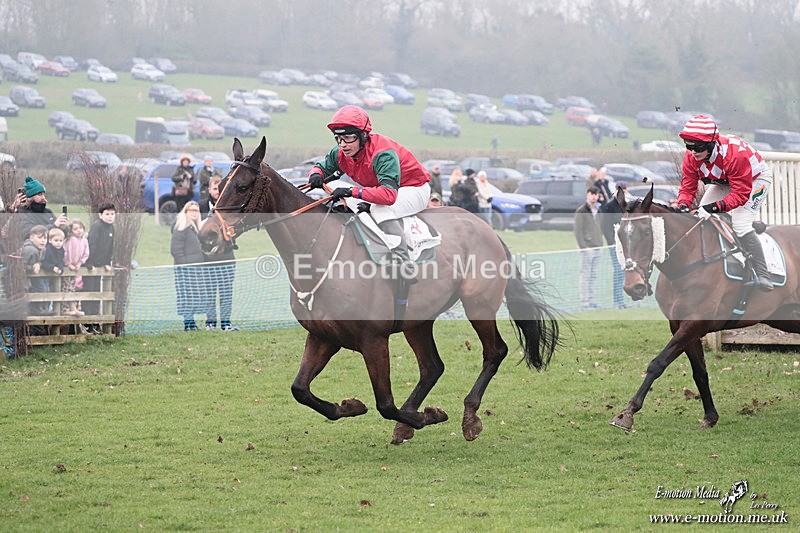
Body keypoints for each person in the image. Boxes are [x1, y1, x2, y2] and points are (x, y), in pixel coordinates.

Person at [306, 105, 430, 281]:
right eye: (338, 138)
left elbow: (388, 196)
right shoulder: (340, 153)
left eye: (348, 138)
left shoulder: (383, 153)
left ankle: (404, 263)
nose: (342, 144)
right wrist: (316, 175)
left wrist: (352, 191)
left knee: (380, 209)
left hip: (413, 188)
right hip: (381, 190)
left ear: (363, 135)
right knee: (342, 201)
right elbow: (320, 167)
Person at [676, 114, 774, 291]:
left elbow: (740, 195)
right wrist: (683, 204)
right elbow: (688, 186)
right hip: (725, 180)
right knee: (700, 217)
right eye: (689, 146)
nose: (693, 152)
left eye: (698, 147)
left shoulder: (734, 155)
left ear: (711, 144)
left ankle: (763, 274)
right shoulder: (691, 157)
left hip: (755, 179)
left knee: (740, 224)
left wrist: (712, 207)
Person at [201, 177, 238, 331]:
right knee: (209, 292)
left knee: (226, 293)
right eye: (215, 188)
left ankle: (225, 323)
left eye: (220, 188)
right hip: (207, 259)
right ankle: (210, 323)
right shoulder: (200, 207)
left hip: (226, 258)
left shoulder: (228, 208)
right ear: (209, 190)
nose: (217, 192)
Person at [171, 201, 206, 331]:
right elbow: (175, 250)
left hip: (197, 269)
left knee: (193, 296)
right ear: (185, 212)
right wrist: (184, 266)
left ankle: (192, 323)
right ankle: (188, 323)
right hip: (185, 270)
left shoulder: (195, 229)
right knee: (186, 296)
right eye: (191, 210)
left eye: (196, 210)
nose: (194, 213)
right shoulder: (181, 228)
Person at [83, 203, 116, 331]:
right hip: (90, 265)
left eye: (112, 214)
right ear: (100, 215)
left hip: (99, 266)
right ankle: (87, 322)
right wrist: (89, 262)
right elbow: (92, 244)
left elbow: (109, 248)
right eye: (107, 214)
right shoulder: (97, 226)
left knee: (97, 293)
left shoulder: (111, 228)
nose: (110, 217)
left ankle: (95, 321)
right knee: (89, 291)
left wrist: (107, 262)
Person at [574, 187, 603, 310]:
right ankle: (584, 303)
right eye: (592, 194)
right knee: (585, 276)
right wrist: (583, 247)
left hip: (598, 247)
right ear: (587, 195)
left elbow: (600, 227)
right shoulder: (581, 211)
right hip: (587, 249)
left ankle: (591, 301)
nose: (594, 196)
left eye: (596, 194)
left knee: (593, 276)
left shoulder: (599, 210)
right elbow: (577, 231)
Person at [600, 182, 628, 309]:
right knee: (618, 271)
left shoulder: (626, 205)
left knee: (624, 272)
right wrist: (611, 242)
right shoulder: (609, 206)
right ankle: (617, 301)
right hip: (615, 245)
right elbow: (606, 226)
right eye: (621, 190)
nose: (623, 192)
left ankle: (621, 301)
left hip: (626, 244)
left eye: (625, 190)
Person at [62, 218, 89, 316]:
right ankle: (65, 309)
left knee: (76, 287)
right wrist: (68, 264)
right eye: (75, 229)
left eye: (80, 228)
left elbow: (86, 253)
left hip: (77, 267)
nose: (79, 230)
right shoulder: (71, 240)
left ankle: (74, 307)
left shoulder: (85, 241)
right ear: (71, 231)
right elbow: (66, 252)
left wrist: (80, 263)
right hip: (68, 267)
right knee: (67, 288)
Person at [21, 225, 49, 315]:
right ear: (31, 238)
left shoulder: (43, 249)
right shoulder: (29, 250)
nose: (43, 240)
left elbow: (41, 261)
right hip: (25, 277)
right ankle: (35, 309)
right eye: (40, 238)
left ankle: (43, 309)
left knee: (46, 288)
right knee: (39, 289)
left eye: (45, 238)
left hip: (35, 275)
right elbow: (20, 265)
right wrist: (32, 267)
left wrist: (39, 264)